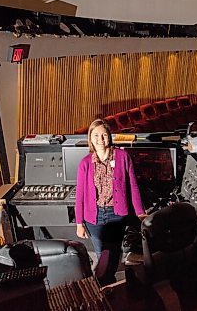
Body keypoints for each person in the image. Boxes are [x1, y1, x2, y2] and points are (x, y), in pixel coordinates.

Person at [75, 119, 145, 285]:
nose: (100, 139)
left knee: (113, 253)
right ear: (90, 139)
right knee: (102, 254)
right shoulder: (85, 163)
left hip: (116, 214)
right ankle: (105, 285)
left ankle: (107, 285)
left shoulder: (122, 157)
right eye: (96, 135)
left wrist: (140, 211)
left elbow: (133, 185)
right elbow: (80, 195)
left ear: (110, 137)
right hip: (95, 216)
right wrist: (79, 223)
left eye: (104, 135)